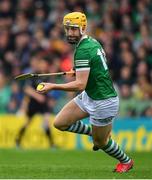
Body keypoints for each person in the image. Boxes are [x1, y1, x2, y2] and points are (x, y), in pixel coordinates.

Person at [36, 12, 134, 173]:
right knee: (59, 123)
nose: (70, 33)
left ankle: (126, 161)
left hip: (103, 101)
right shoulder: (90, 42)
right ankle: (92, 131)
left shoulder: (83, 50)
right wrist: (79, 70)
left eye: (73, 29)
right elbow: (96, 65)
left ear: (83, 28)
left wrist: (52, 86)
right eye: (67, 29)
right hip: (90, 95)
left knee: (101, 143)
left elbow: (80, 84)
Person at [16, 56, 55, 148]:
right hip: (33, 103)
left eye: (44, 64)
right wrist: (37, 96)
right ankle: (18, 140)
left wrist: (50, 99)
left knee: (46, 122)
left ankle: (52, 144)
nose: (43, 66)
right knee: (27, 122)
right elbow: (27, 89)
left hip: (44, 103)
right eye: (41, 64)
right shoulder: (34, 75)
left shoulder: (48, 76)